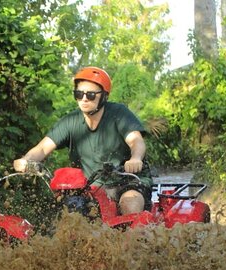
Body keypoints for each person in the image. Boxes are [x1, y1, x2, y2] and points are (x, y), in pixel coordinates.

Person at [13, 66, 152, 215]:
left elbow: (136, 140)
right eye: (79, 94)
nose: (84, 98)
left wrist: (135, 158)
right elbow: (42, 148)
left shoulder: (119, 113)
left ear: (104, 96)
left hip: (129, 180)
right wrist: (26, 160)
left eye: (91, 95)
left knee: (129, 204)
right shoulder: (70, 121)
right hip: (91, 187)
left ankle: (137, 237)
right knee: (67, 212)